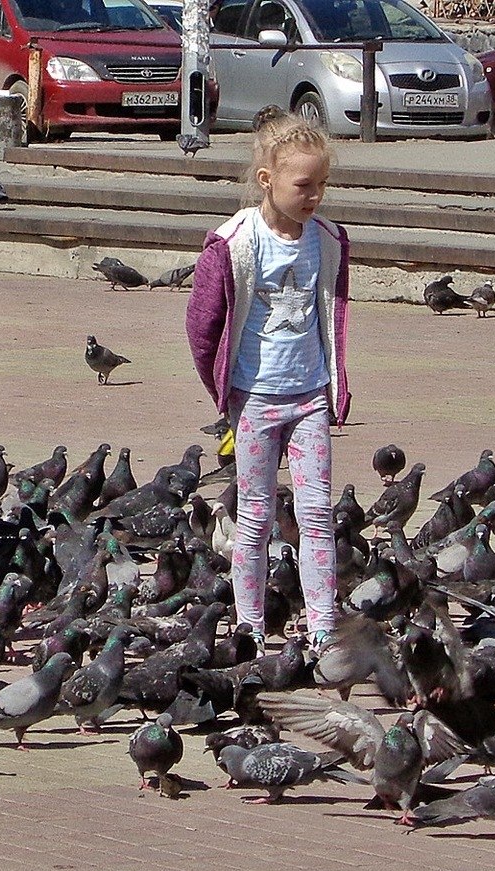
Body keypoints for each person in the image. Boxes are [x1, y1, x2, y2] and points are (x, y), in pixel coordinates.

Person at [185, 110, 349, 657]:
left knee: (317, 511)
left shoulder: (327, 241)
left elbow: (334, 312)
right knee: (255, 513)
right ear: (267, 180)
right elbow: (203, 321)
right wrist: (222, 385)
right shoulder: (234, 242)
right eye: (304, 185)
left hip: (309, 397)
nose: (315, 196)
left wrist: (336, 384)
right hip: (255, 398)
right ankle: (249, 622)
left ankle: (324, 623)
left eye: (323, 184)